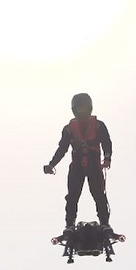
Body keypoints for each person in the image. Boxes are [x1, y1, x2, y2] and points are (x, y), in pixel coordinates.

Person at [42, 92, 113, 234]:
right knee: (72, 195)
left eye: (84, 108)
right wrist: (52, 164)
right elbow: (62, 148)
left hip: (94, 164)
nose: (81, 111)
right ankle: (69, 224)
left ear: (89, 108)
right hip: (77, 165)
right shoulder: (68, 129)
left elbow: (106, 142)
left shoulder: (99, 125)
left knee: (99, 194)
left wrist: (107, 158)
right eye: (79, 108)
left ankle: (105, 223)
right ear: (74, 110)